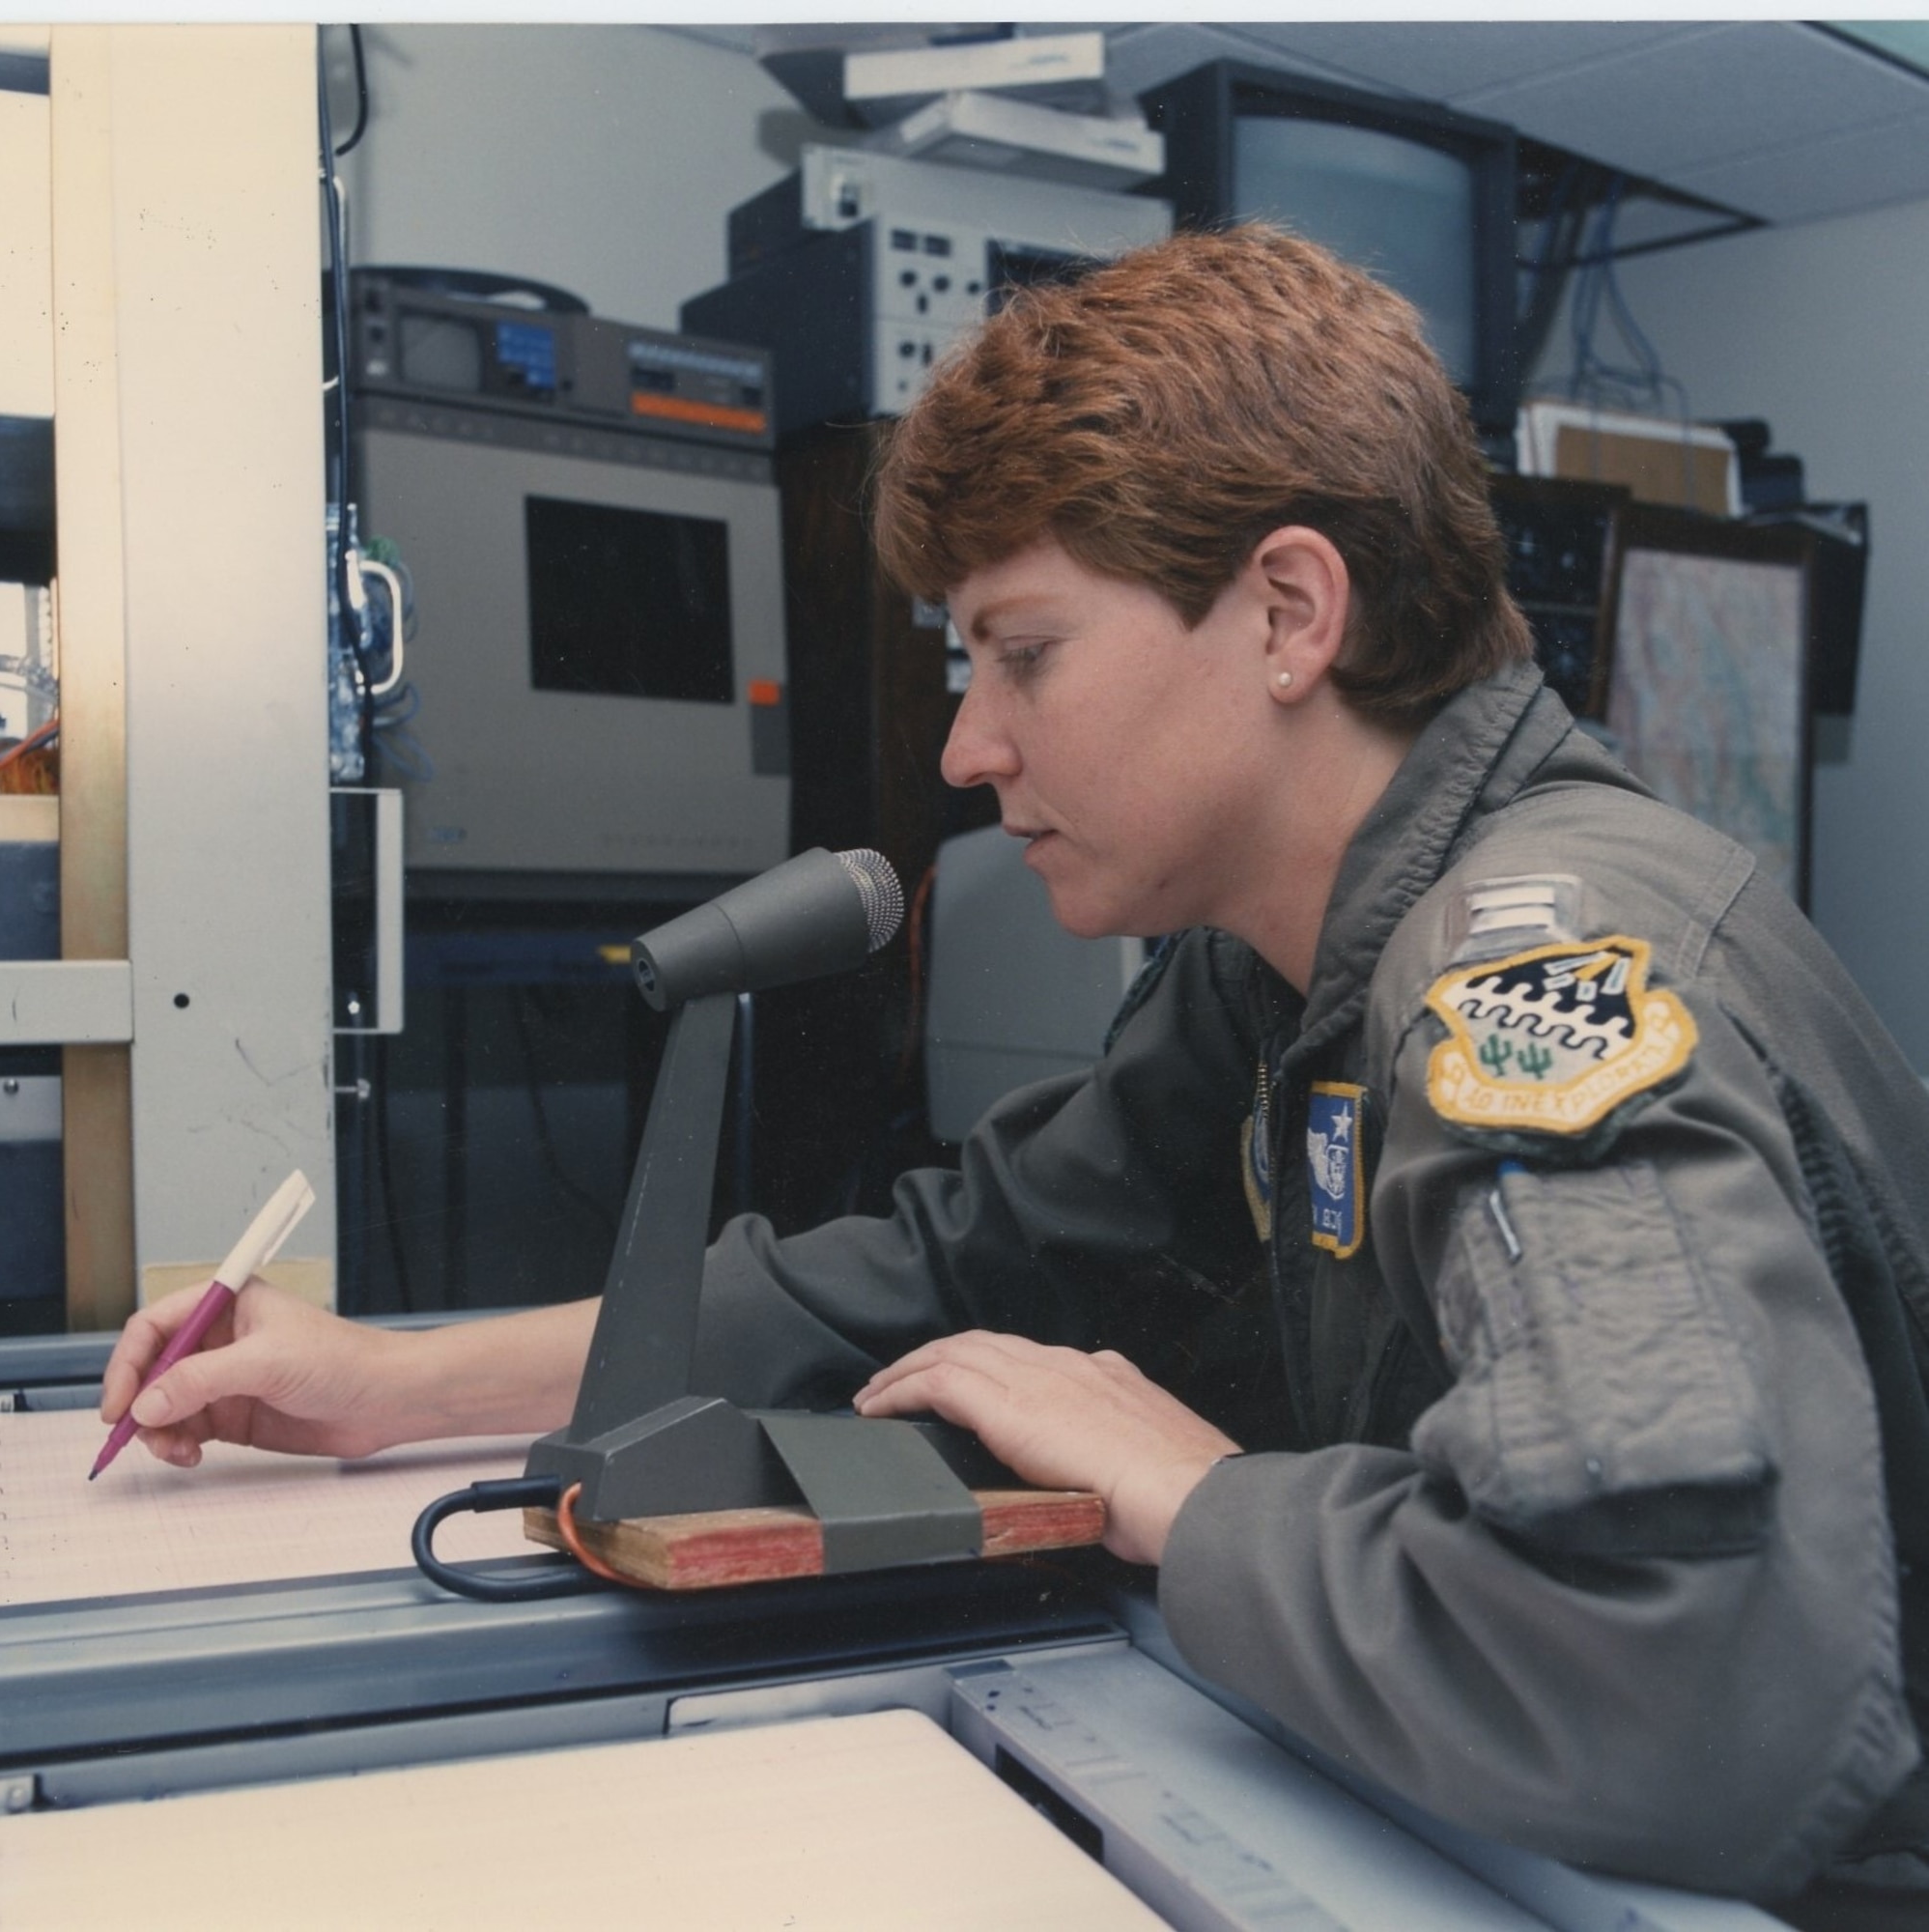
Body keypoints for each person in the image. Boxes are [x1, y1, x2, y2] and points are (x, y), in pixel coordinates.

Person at [103, 227, 1929, 1924]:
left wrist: (1193, 1493)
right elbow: (954, 1267)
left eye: (1025, 655)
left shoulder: (1523, 974)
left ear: (1292, 613)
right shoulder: (1281, 969)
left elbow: (1681, 1684)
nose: (972, 746)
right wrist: (390, 1385)